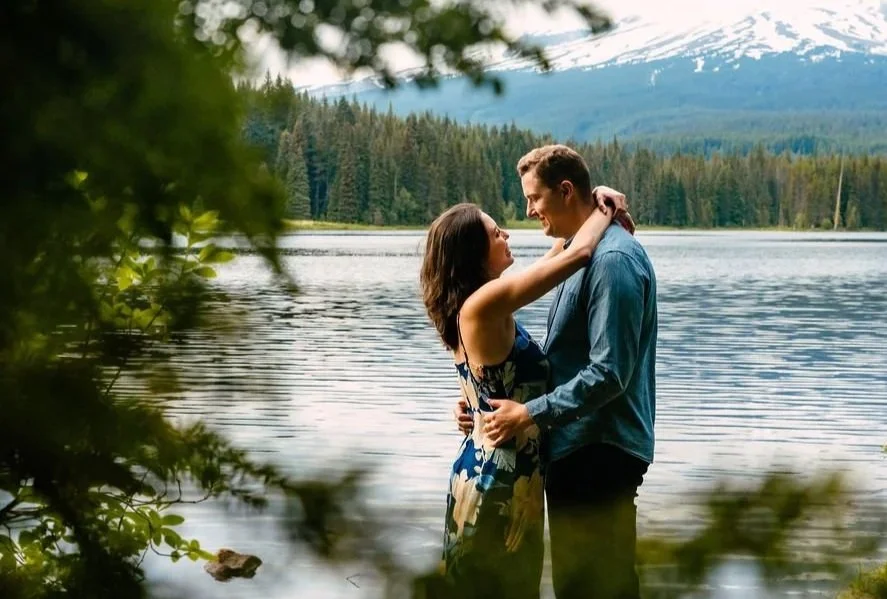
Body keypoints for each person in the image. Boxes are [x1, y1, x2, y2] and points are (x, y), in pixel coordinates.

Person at [420, 186, 632, 599]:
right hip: (501, 479)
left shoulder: (470, 304)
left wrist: (587, 203)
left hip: (491, 463)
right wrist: (605, 206)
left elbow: (557, 253)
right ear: (474, 253)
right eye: (496, 233)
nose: (507, 236)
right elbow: (577, 255)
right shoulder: (484, 304)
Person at [476, 144, 658, 599]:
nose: (529, 210)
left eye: (534, 198)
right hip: (576, 447)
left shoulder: (612, 261)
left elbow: (611, 372)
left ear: (564, 190)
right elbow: (562, 359)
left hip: (599, 449)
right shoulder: (579, 252)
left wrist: (530, 413)